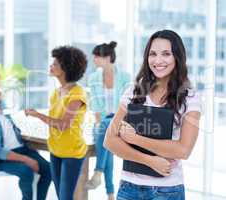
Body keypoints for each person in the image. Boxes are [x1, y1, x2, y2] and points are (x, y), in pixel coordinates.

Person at [104, 30, 201, 200]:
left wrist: (135, 139)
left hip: (167, 190)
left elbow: (183, 150)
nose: (158, 60)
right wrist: (150, 160)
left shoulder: (189, 97)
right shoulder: (133, 92)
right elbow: (110, 141)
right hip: (129, 188)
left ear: (177, 57)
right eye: (153, 54)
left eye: (166, 54)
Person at [25, 46, 88, 200]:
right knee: (61, 196)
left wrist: (37, 115)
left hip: (72, 152)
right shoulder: (56, 93)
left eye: (55, 64)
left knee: (65, 197)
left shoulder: (77, 94)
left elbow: (63, 124)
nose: (51, 66)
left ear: (65, 68)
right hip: (55, 149)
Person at [0, 78, 51, 200]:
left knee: (49, 169)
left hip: (22, 149)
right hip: (4, 159)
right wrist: (27, 160)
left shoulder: (1, 109)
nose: (0, 91)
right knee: (26, 171)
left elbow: (13, 129)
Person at [86, 41, 130, 200]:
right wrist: (98, 123)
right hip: (102, 122)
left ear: (107, 57)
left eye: (97, 57)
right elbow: (96, 106)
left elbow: (128, 105)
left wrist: (109, 123)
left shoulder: (125, 77)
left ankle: (98, 173)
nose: (94, 60)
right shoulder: (93, 78)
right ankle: (111, 194)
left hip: (121, 121)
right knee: (105, 134)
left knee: (106, 129)